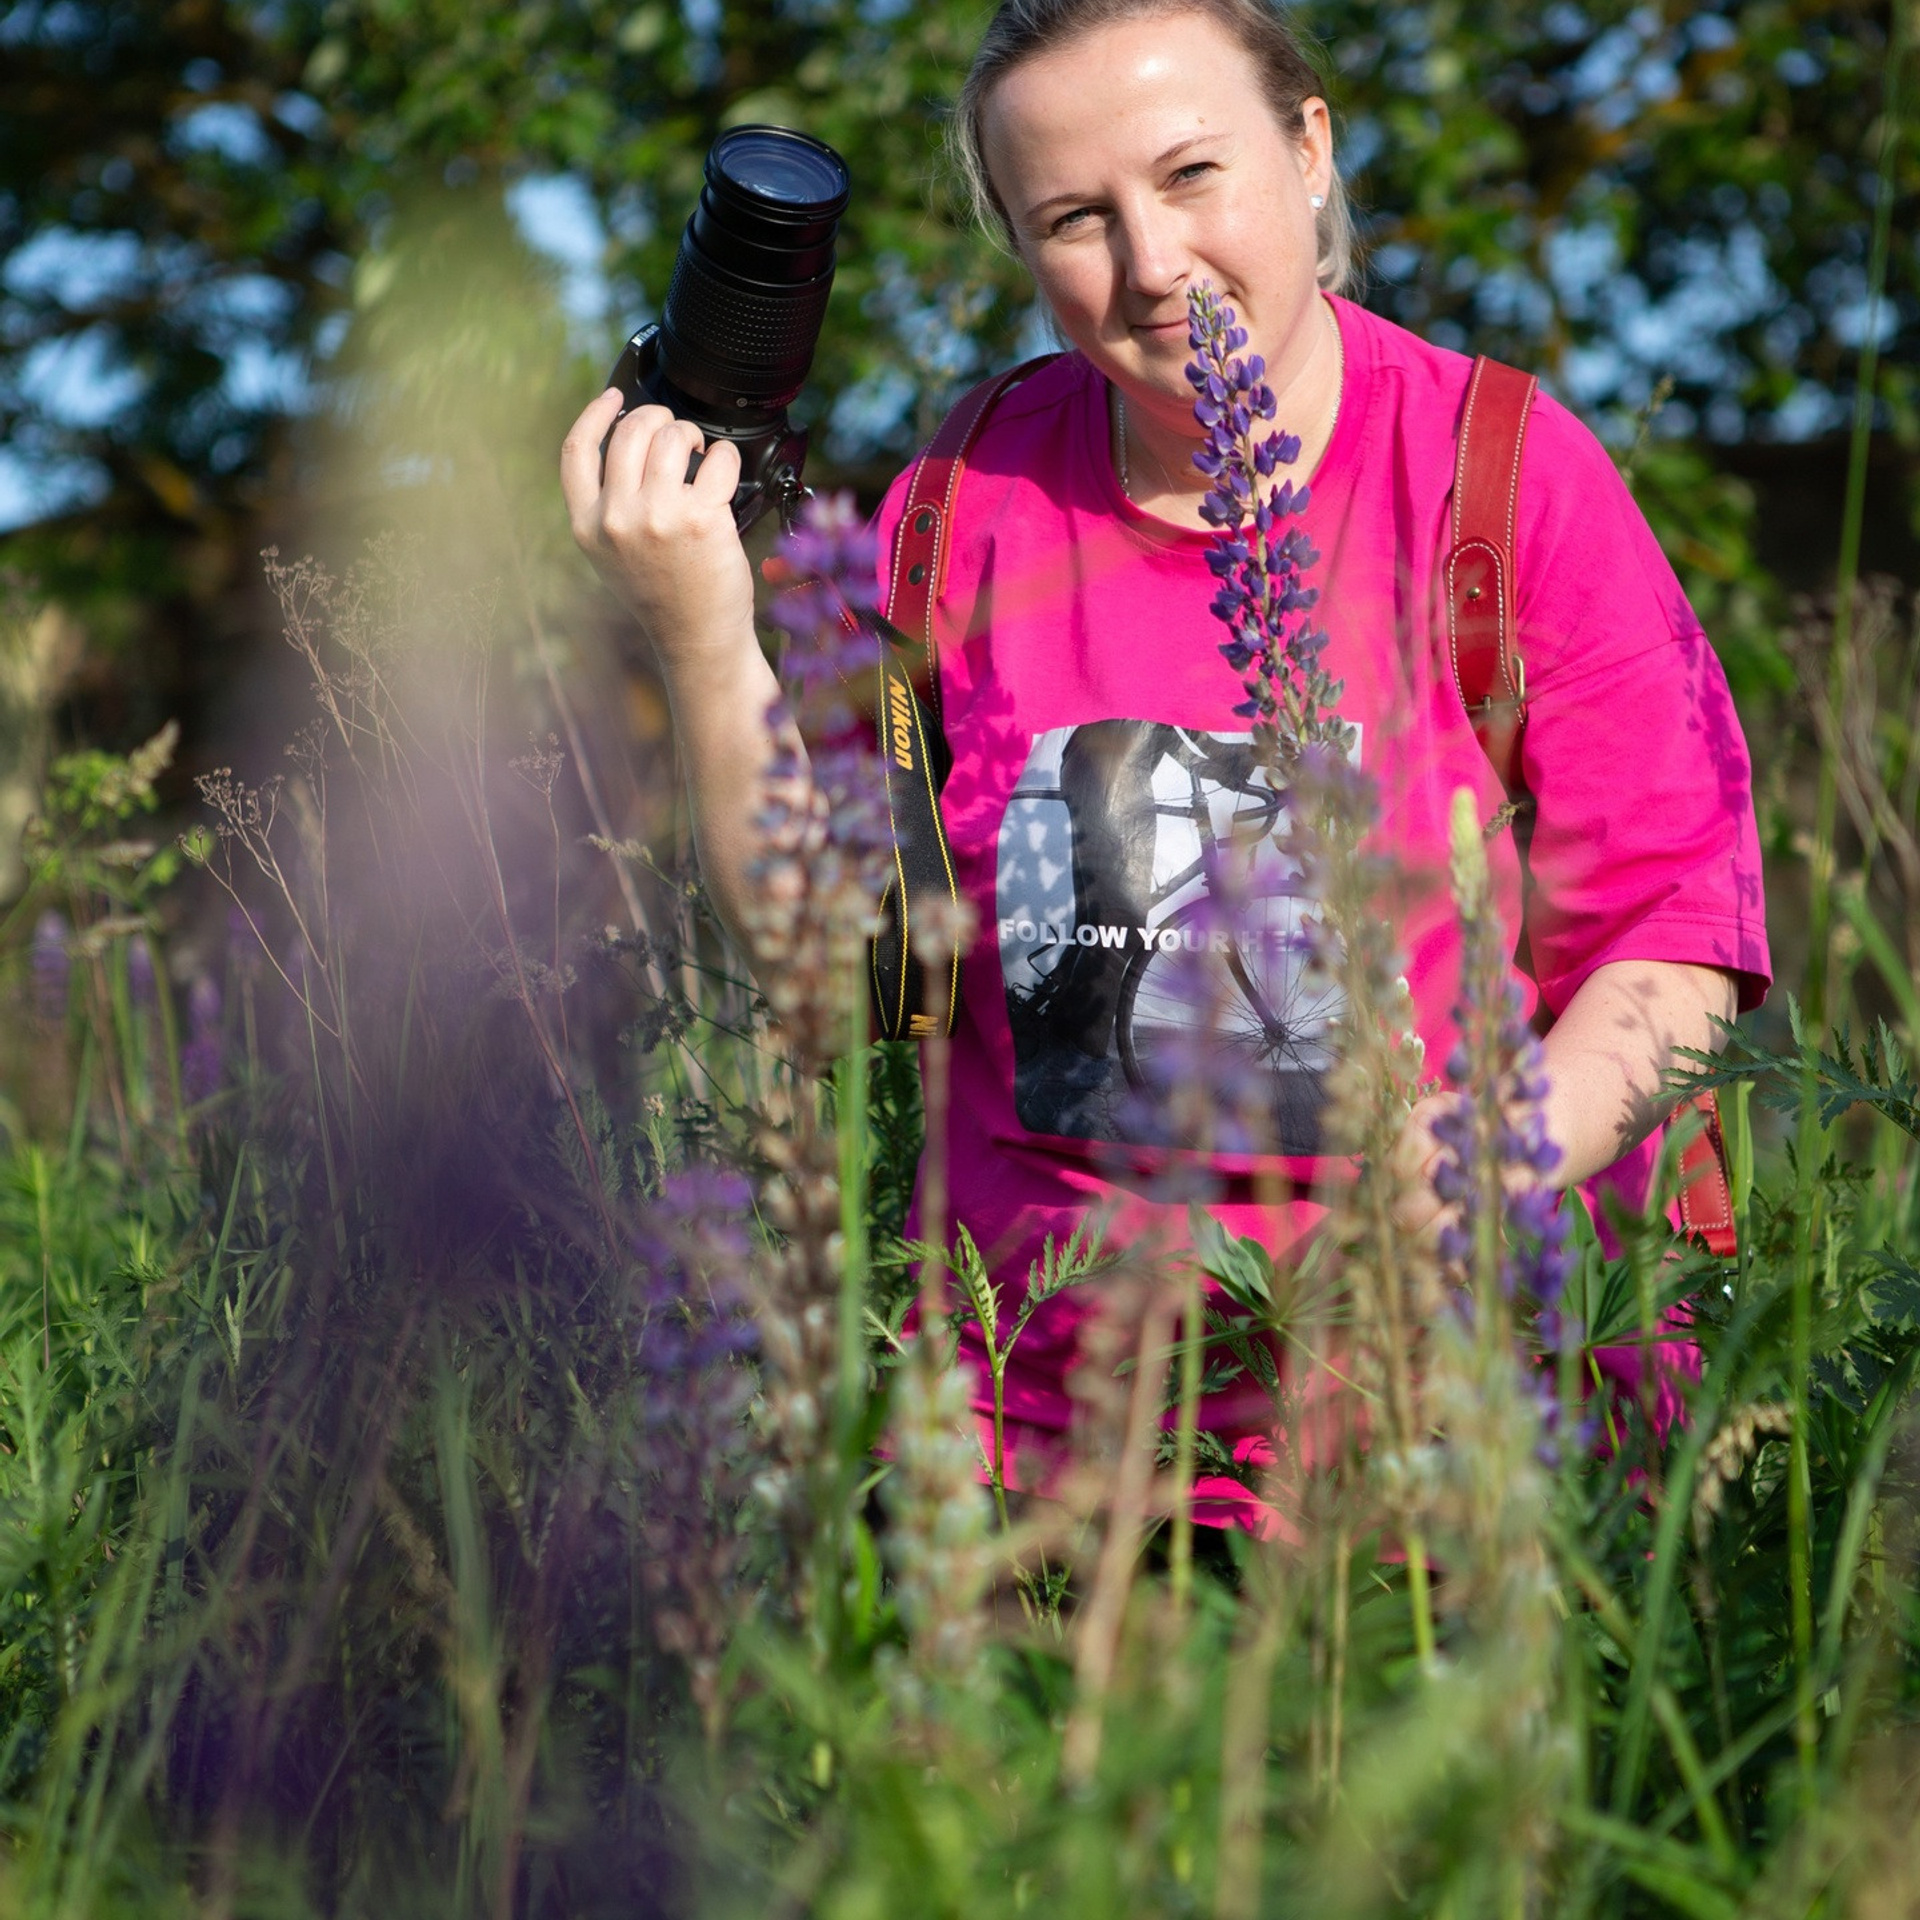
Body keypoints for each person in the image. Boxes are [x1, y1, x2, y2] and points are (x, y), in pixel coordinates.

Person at [560, 0, 1771, 1527]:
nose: (1152, 263)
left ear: (1309, 148)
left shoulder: (1502, 473)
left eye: (1193, 173)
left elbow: (1674, 938)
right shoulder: (958, 502)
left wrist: (1496, 1149)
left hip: (1457, 1448)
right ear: (1018, 241)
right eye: (1075, 216)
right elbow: (837, 986)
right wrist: (703, 633)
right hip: (1036, 1473)